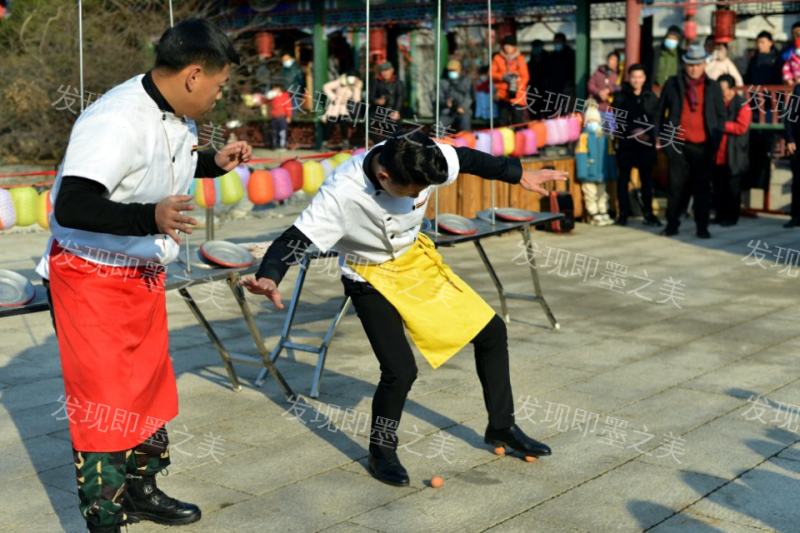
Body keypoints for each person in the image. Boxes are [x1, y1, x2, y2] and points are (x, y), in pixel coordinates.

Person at [241, 131, 566, 486]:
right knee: (400, 371)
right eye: (411, 191)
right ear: (384, 176)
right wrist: (270, 276)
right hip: (368, 275)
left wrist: (520, 174)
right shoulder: (342, 192)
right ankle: (381, 452)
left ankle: (501, 427)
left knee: (492, 332)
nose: (416, 197)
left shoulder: (424, 155)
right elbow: (294, 239)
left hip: (413, 262)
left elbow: (469, 159)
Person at [34, 19, 252, 533]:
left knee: (147, 389)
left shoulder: (177, 115)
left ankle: (141, 489)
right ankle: (104, 515)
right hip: (89, 274)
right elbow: (73, 204)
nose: (219, 96)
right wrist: (149, 217)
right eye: (220, 85)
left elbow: (156, 165)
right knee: (104, 400)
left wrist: (213, 163)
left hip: (141, 273)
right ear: (194, 75)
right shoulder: (115, 119)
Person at [656, 44, 726, 238]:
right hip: (677, 144)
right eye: (690, 65)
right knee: (675, 187)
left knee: (702, 189)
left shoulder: (713, 87)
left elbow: (721, 115)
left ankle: (702, 228)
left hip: (703, 146)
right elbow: (660, 112)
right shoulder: (673, 84)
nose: (694, 69)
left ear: (704, 64)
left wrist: (715, 139)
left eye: (698, 64)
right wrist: (659, 136)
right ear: (684, 65)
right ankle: (672, 225)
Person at [613, 63, 662, 226]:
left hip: (646, 143)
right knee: (623, 179)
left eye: (640, 77)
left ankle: (648, 213)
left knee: (647, 179)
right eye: (634, 77)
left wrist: (649, 134)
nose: (637, 80)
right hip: (627, 143)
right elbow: (617, 119)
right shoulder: (621, 97)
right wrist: (632, 131)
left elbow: (657, 119)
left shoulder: (651, 96)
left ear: (644, 78)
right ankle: (623, 214)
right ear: (629, 78)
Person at [744, 31, 783, 191]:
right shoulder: (754, 59)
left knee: (767, 143)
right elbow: (748, 79)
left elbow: (779, 83)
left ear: (770, 43)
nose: (760, 45)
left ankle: (763, 181)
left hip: (769, 106)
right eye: (758, 42)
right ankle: (752, 182)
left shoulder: (777, 60)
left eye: (763, 42)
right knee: (753, 143)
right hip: (754, 105)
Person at [712, 74, 751, 226]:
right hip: (718, 152)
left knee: (733, 188)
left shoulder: (742, 105)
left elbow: (741, 127)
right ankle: (719, 215)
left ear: (732, 89)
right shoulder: (716, 103)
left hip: (734, 153)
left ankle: (731, 217)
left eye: (723, 90)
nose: (721, 93)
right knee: (718, 186)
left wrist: (722, 125)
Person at [576, 103, 616, 226]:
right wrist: (582, 173)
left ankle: (603, 211)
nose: (593, 122)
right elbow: (581, 156)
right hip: (589, 171)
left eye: (595, 120)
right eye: (591, 120)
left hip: (601, 172)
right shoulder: (584, 136)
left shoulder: (605, 137)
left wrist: (611, 172)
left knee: (602, 193)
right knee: (590, 194)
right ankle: (593, 213)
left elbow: (610, 156)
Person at [491, 35, 529, 125]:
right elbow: (491, 73)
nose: (506, 47)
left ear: (514, 46)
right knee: (502, 122)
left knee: (518, 121)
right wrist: (502, 76)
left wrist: (516, 81)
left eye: (509, 45)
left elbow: (525, 77)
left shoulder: (520, 59)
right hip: (502, 95)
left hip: (517, 95)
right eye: (505, 45)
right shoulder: (497, 58)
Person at [322, 72, 362, 149]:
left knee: (344, 124)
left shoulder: (354, 86)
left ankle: (345, 142)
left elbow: (356, 99)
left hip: (343, 108)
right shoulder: (340, 82)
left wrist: (357, 88)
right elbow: (326, 87)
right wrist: (333, 97)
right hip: (334, 107)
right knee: (330, 124)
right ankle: (324, 143)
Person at [437, 59, 473, 133]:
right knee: (439, 128)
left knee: (465, 128)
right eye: (450, 70)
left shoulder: (466, 81)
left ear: (459, 70)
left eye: (454, 70)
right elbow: (439, 97)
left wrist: (463, 107)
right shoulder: (443, 82)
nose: (451, 72)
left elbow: (469, 97)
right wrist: (446, 102)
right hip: (447, 111)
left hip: (463, 111)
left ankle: (465, 139)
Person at [783, 81, 800, 228]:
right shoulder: (798, 89)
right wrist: (790, 139)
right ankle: (796, 216)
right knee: (798, 181)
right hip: (798, 143)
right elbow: (789, 116)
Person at [545, 32, 575, 97]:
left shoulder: (570, 55)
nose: (557, 44)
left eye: (559, 42)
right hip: (554, 88)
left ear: (564, 42)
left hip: (566, 88)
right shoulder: (552, 56)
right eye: (555, 42)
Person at [654, 25, 683, 91]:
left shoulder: (681, 54)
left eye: (674, 39)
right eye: (669, 38)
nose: (671, 40)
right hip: (658, 87)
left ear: (678, 41)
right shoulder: (656, 52)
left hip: (674, 88)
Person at [266, 83, 292, 150]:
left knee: (282, 132)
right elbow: (268, 106)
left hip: (282, 117)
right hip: (273, 117)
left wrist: (289, 116)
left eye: (276, 89)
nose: (275, 90)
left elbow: (288, 107)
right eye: (274, 89)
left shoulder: (285, 96)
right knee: (274, 132)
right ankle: (274, 145)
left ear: (280, 89)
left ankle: (282, 145)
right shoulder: (271, 97)